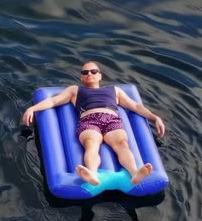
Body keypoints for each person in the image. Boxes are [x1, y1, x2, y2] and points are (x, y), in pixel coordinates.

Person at [22, 61, 167, 186]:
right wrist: (32, 108)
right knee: (91, 144)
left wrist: (155, 118)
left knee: (122, 143)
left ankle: (135, 173)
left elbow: (135, 106)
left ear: (100, 75)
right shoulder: (75, 90)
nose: (89, 73)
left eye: (93, 71)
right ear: (81, 77)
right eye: (85, 72)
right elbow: (53, 101)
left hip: (111, 119)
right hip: (89, 119)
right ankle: (92, 173)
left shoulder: (114, 91)